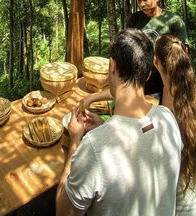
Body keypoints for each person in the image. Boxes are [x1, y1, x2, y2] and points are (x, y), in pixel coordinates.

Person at [56, 29, 183, 216]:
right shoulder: (168, 118)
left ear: (112, 66)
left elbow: (63, 212)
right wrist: (103, 128)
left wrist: (75, 142)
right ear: (148, 74)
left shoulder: (94, 147)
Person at [153, 34, 196, 216]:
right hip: (195, 195)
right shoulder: (190, 97)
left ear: (155, 62)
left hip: (179, 208)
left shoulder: (166, 117)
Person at [128, 0, 189, 98]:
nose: (142, 4)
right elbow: (129, 46)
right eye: (138, 0)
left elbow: (184, 51)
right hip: (141, 78)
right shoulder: (134, 20)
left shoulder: (173, 21)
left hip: (167, 80)